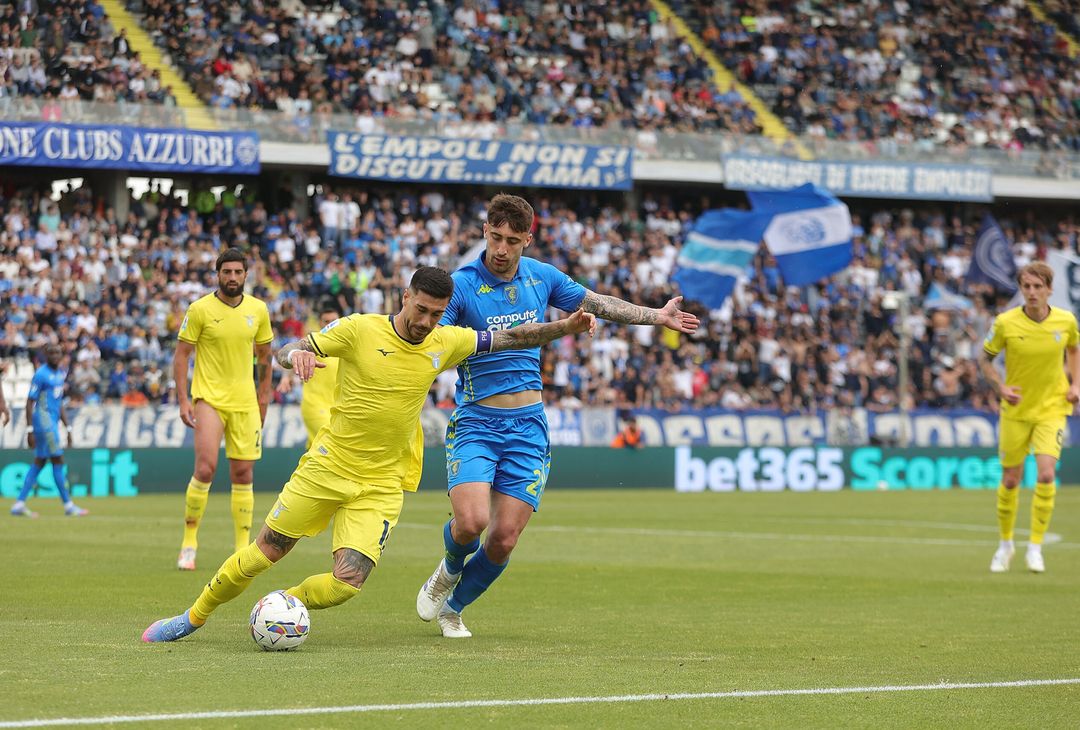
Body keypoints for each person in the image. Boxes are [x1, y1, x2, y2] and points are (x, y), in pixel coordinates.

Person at [141, 267, 595, 643]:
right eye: (420, 310)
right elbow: (289, 348)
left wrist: (565, 327)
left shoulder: (447, 341)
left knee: (346, 584)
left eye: (436, 314)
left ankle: (281, 605)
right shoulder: (360, 329)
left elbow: (513, 337)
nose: (425, 322)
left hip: (380, 484)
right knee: (266, 551)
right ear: (404, 297)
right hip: (327, 467)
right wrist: (294, 356)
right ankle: (191, 618)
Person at [416, 193, 699, 638]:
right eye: (495, 237)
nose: (502, 248)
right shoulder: (462, 285)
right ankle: (449, 568)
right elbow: (445, 345)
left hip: (528, 426)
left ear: (528, 239)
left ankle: (454, 607)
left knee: (504, 538)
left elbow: (599, 303)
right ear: (484, 232)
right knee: (471, 523)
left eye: (512, 239)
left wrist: (655, 316)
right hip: (476, 422)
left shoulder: (542, 277)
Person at [172, 248, 274, 570]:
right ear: (218, 274)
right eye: (226, 272)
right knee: (205, 468)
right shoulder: (200, 309)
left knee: (243, 473)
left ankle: (242, 550)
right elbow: (181, 355)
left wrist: (263, 398)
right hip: (210, 399)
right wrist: (184, 399)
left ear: (246, 275)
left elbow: (265, 358)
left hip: (245, 401)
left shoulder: (258, 310)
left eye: (237, 272)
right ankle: (189, 543)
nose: (232, 277)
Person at [980, 261, 1080, 574]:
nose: (1032, 292)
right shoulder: (1005, 323)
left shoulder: (1065, 321)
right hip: (1016, 412)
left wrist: (1076, 383)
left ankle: (1035, 547)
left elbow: (1074, 349)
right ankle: (1005, 544)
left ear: (1050, 289)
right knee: (1010, 479)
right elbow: (984, 359)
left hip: (1052, 409)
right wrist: (1000, 386)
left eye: (1038, 287)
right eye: (1027, 287)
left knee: (1047, 474)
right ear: (1021, 289)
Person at [11, 344, 88, 518]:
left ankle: (19, 503)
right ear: (46, 355)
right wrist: (29, 429)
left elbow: (58, 402)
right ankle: (68, 505)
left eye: (57, 353)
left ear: (62, 356)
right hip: (43, 422)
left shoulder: (60, 374)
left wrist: (68, 428)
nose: (54, 356)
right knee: (58, 460)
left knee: (39, 461)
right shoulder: (41, 374)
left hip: (52, 422)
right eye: (51, 353)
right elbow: (30, 402)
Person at [277, 303, 342, 448]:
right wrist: (286, 377)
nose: (331, 324)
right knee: (332, 444)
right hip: (315, 406)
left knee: (314, 453)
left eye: (334, 320)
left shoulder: (344, 346)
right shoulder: (315, 343)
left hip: (336, 409)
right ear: (320, 323)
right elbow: (296, 355)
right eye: (326, 321)